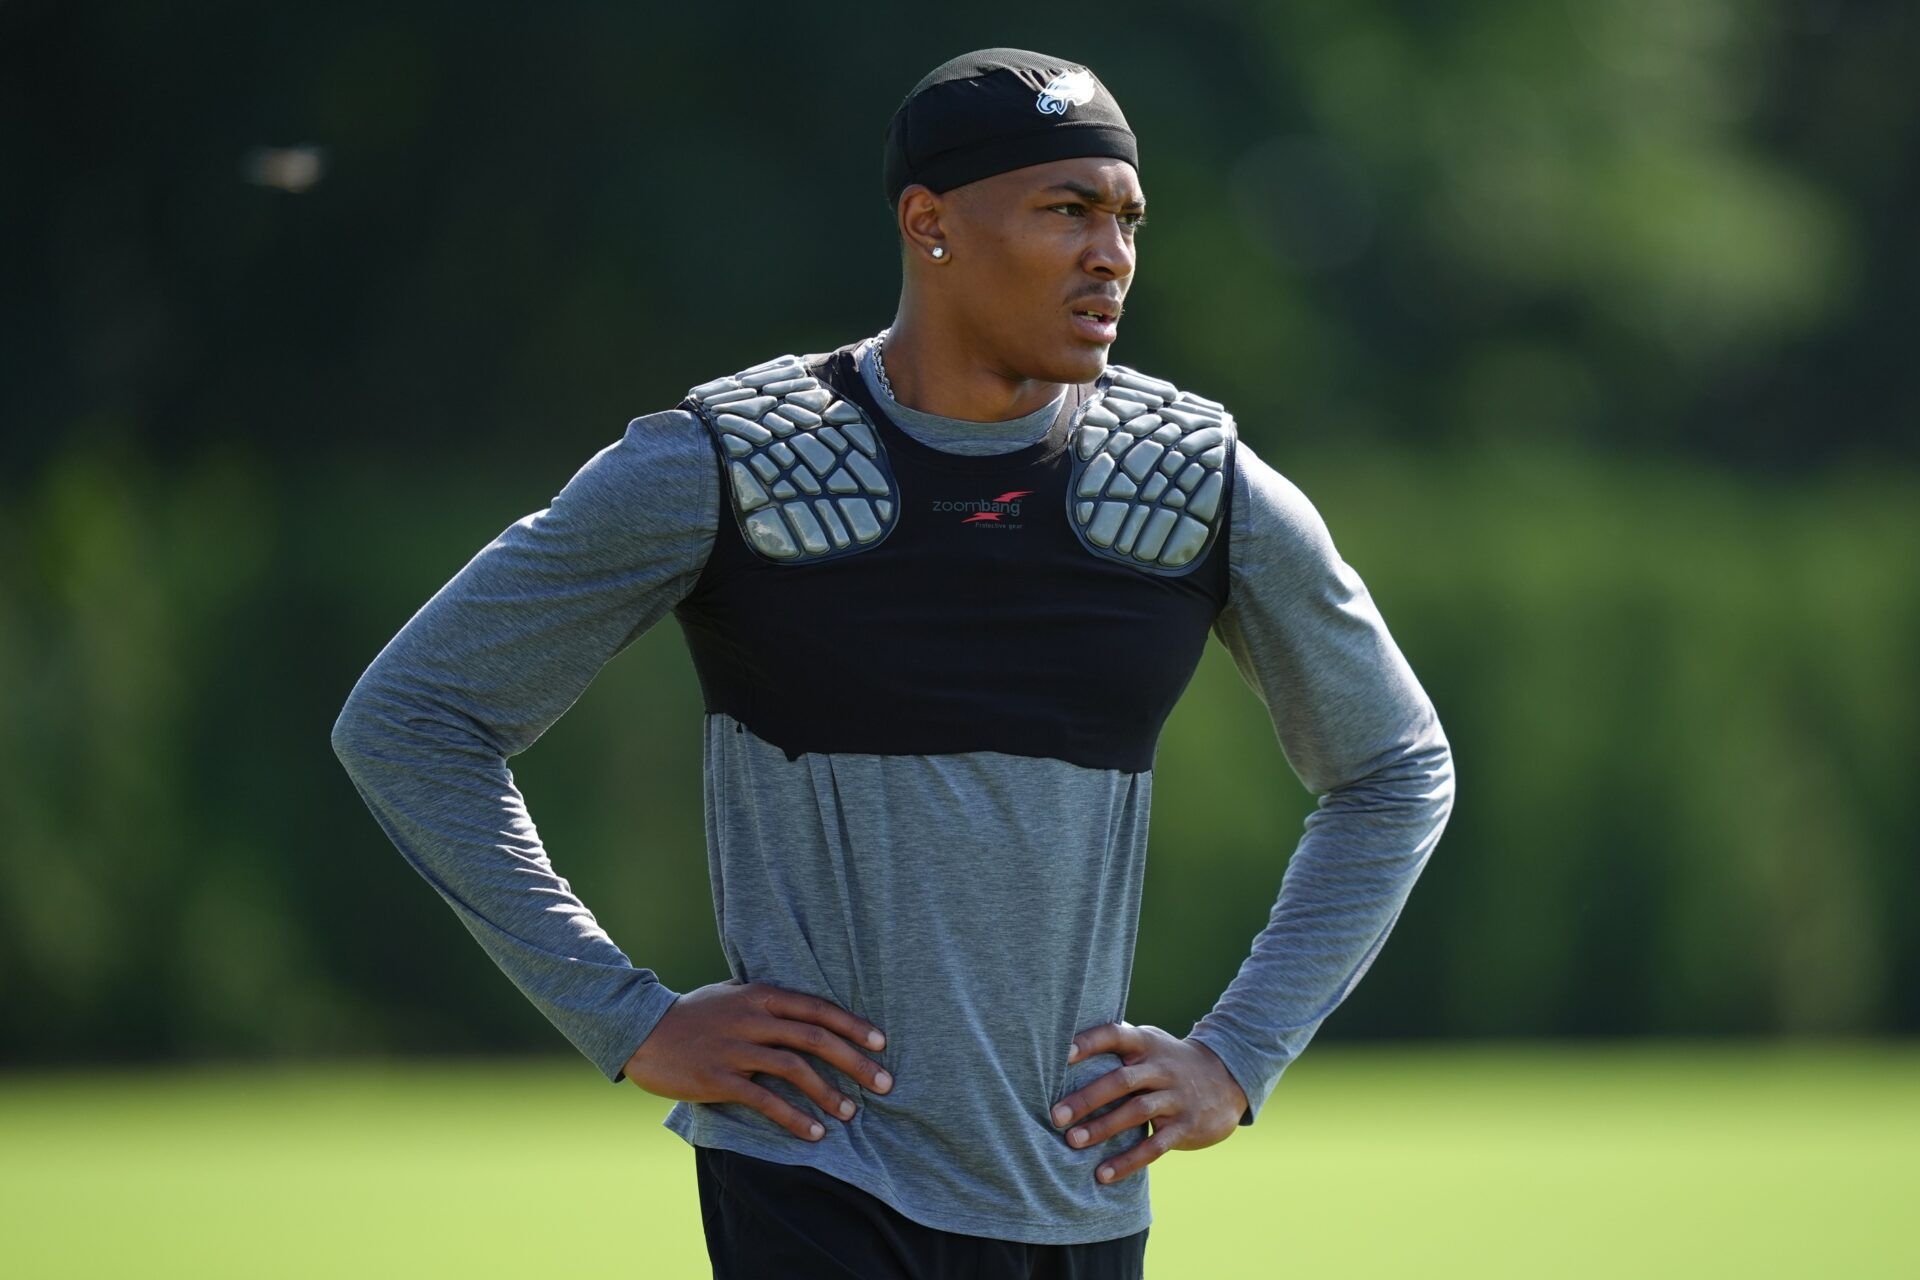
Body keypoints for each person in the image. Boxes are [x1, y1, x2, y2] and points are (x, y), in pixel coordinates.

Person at [330, 46, 1456, 1279]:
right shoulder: (731, 464)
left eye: (1128, 217)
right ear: (930, 223)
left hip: (1080, 1198)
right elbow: (414, 716)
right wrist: (625, 1015)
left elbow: (1395, 768)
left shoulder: (1192, 485)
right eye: (1068, 210)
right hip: (814, 1178)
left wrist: (1239, 1054)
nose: (1113, 255)